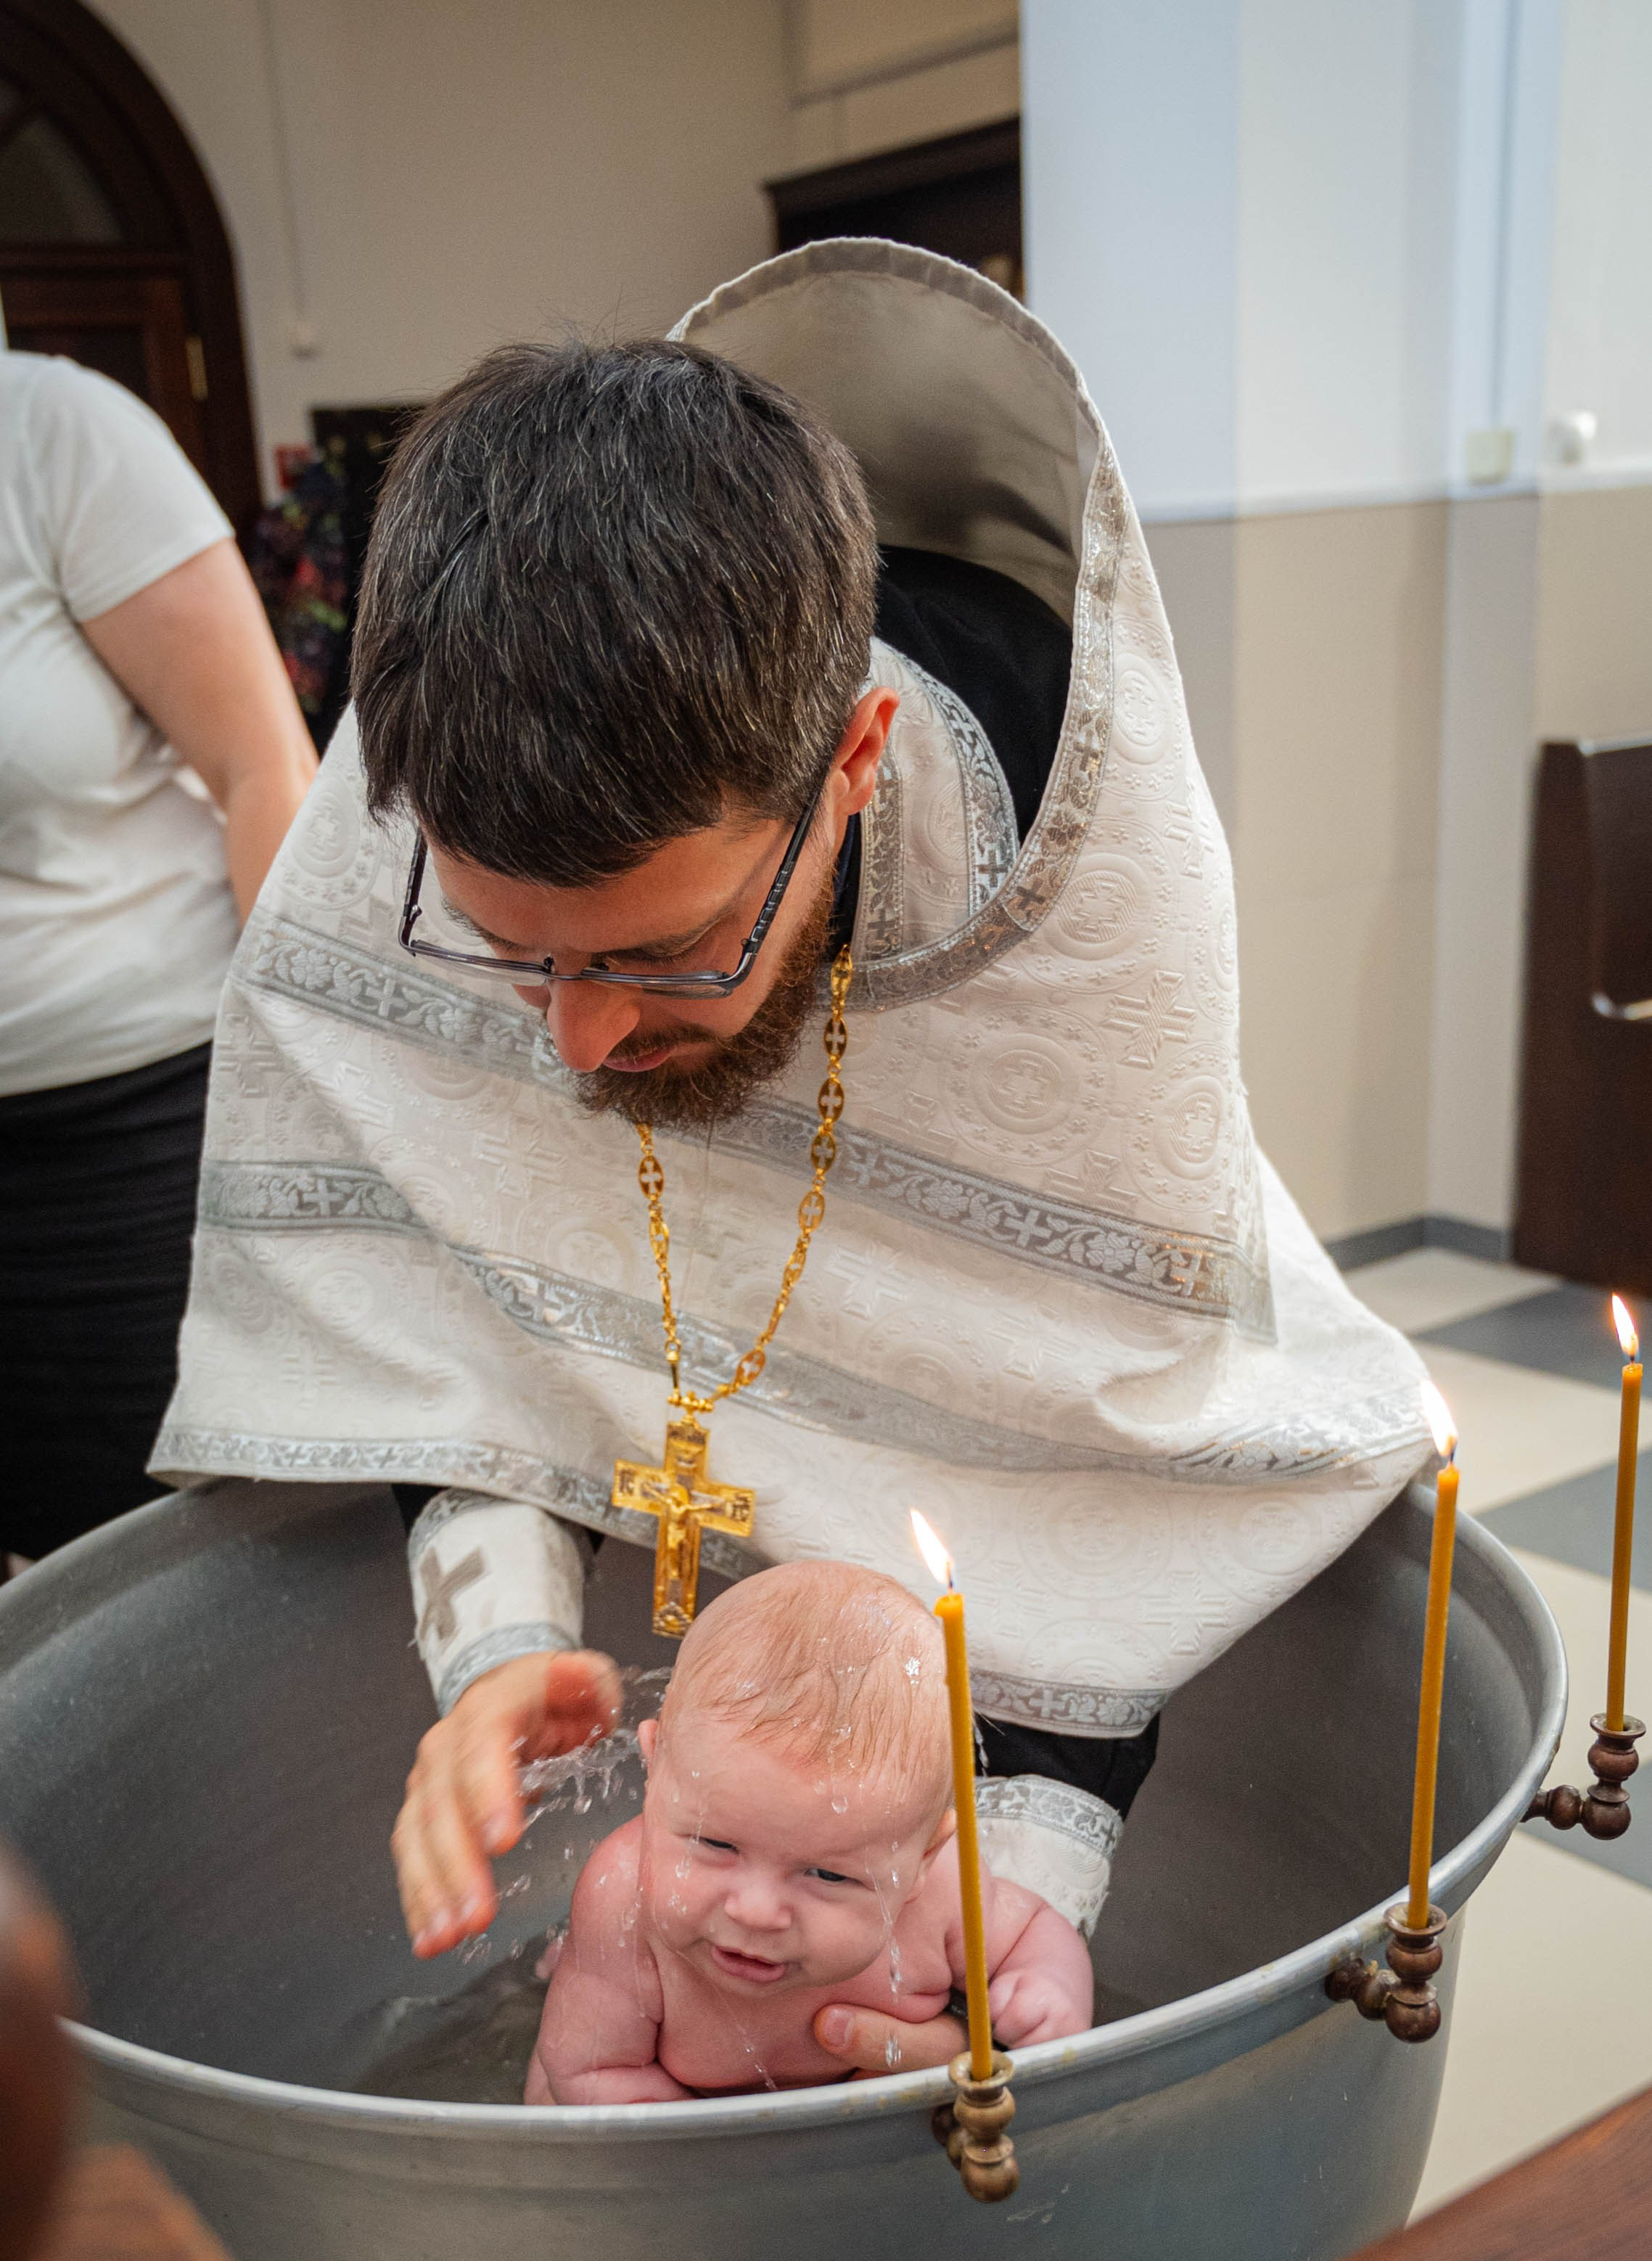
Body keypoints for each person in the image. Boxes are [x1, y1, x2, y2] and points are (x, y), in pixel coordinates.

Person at [156, 243, 1430, 2078]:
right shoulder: (432, 778)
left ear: (853, 761)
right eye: (510, 953)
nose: (575, 1042)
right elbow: (437, 1278)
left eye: (662, 952)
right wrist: (500, 1642)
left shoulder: (1081, 906)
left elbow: (1087, 1446)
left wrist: (1021, 1877)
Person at [0, 351, 316, 1563]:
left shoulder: (56, 436)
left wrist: (306, 1099)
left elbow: (263, 769)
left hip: (138, 1131)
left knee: (168, 1555)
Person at [525, 1561, 1093, 2104]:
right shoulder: (621, 1898)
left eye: (827, 1874)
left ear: (924, 1857)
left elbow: (1030, 1930)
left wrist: (1048, 1989)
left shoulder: (945, 1892)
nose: (756, 1911)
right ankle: (575, 1963)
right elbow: (595, 2072)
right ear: (655, 1773)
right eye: (715, 1844)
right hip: (669, 2126)